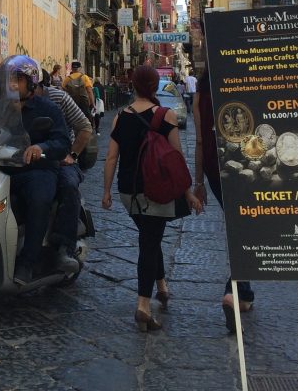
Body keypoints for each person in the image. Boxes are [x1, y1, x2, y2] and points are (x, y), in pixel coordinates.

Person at [102, 64, 203, 333]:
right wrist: (188, 193)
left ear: (133, 86)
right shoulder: (165, 115)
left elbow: (111, 157)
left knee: (150, 235)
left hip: (128, 192)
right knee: (149, 241)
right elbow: (176, 159)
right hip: (156, 190)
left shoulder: (119, 117)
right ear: (154, 85)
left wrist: (106, 192)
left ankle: (161, 286)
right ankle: (143, 305)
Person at [0, 55, 70, 284]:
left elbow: (62, 142)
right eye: (9, 80)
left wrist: (41, 147)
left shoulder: (48, 109)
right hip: (3, 170)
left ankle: (27, 262)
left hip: (37, 170)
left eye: (18, 80)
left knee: (40, 199)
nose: (12, 84)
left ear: (31, 82)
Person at [192, 64, 255, 332]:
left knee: (239, 223)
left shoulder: (200, 94)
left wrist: (198, 182)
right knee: (248, 225)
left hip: (213, 166)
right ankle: (235, 289)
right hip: (245, 161)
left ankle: (245, 293)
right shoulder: (240, 83)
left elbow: (198, 140)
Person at [37, 76, 93, 273]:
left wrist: (72, 155)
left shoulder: (59, 98)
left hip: (61, 159)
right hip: (29, 159)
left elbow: (85, 128)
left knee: (68, 185)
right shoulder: (12, 101)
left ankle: (64, 248)